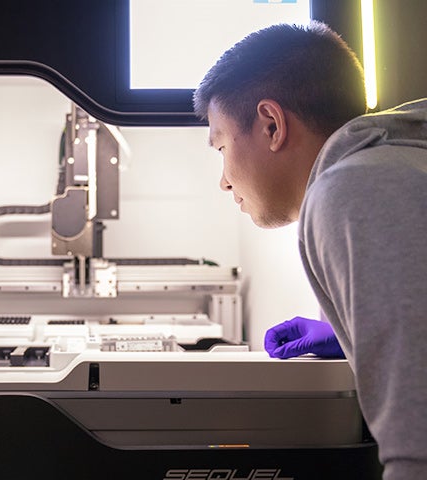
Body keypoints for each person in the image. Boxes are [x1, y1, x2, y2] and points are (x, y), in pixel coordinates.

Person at [194, 21, 426, 479]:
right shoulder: (398, 161)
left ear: (272, 124)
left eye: (221, 145)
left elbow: (420, 445)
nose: (223, 179)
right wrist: (351, 336)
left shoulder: (353, 188)